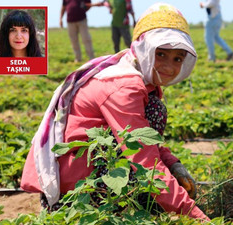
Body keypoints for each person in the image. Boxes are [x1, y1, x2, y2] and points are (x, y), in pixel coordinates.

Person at [21, 3, 209, 220]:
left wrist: (174, 164)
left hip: (80, 170)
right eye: (161, 54)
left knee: (152, 113)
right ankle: (100, 209)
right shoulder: (125, 85)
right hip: (74, 190)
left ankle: (136, 203)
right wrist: (197, 217)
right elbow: (143, 158)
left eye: (178, 58)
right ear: (144, 48)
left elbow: (146, 139)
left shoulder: (134, 71)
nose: (169, 66)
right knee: (152, 117)